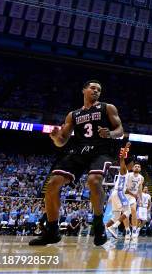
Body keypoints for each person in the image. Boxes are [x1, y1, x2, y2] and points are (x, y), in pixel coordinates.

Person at [29, 80, 124, 246]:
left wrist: (109, 133)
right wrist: (55, 137)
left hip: (101, 151)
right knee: (52, 184)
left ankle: (98, 224)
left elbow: (120, 130)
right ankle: (52, 231)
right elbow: (62, 142)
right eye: (93, 88)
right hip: (79, 151)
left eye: (99, 90)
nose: (96, 91)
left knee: (94, 181)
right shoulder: (73, 115)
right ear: (84, 90)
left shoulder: (107, 107)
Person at [105, 144, 134, 240]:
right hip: (119, 193)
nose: (133, 165)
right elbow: (121, 158)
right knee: (128, 211)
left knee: (116, 216)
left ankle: (102, 230)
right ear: (129, 164)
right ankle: (114, 227)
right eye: (132, 163)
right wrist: (126, 147)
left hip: (116, 193)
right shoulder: (124, 169)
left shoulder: (127, 173)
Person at [125, 162, 144, 240]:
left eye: (138, 166)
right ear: (132, 168)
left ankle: (134, 229)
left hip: (133, 197)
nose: (137, 167)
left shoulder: (141, 178)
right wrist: (132, 194)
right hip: (125, 195)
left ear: (140, 169)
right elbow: (124, 188)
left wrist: (141, 199)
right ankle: (127, 230)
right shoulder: (128, 175)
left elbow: (140, 189)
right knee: (125, 213)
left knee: (133, 211)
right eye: (135, 166)